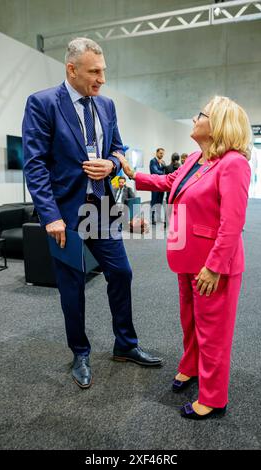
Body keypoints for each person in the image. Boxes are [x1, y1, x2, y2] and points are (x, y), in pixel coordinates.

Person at [22, 37, 162, 390]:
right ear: (72, 69)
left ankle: (125, 344)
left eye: (104, 71)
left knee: (122, 272)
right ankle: (80, 352)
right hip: (64, 213)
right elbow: (35, 164)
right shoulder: (42, 103)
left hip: (99, 206)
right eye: (94, 72)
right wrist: (50, 215)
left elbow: (118, 146)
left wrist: (111, 162)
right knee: (73, 285)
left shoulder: (107, 105)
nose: (101, 79)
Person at [114, 96, 251, 419]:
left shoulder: (234, 163)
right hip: (186, 256)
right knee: (190, 322)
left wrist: (215, 267)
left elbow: (232, 223)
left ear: (216, 124)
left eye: (200, 114)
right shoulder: (195, 158)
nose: (193, 118)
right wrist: (134, 175)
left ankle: (214, 398)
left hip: (212, 265)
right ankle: (191, 366)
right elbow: (170, 182)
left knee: (213, 331)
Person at [150, 148, 166, 224]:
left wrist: (163, 166)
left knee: (160, 202)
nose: (161, 155)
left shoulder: (163, 162)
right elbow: (155, 171)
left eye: (162, 153)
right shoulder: (153, 161)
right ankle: (153, 218)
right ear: (156, 153)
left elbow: (165, 170)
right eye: (160, 153)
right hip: (154, 185)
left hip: (161, 186)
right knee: (154, 202)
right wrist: (164, 174)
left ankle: (158, 217)